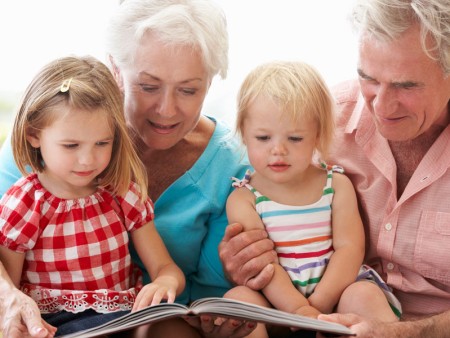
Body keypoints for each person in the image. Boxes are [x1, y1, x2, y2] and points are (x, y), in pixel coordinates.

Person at [0, 1, 255, 337]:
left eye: (188, 89)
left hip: (148, 321)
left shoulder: (231, 164)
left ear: (210, 83)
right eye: (148, 86)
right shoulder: (44, 148)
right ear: (116, 71)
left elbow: (208, 291)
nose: (166, 109)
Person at [218, 0, 450, 337]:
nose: (382, 106)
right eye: (368, 78)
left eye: (406, 85)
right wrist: (244, 260)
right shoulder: (322, 120)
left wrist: (408, 332)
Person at [0, 55, 186, 337]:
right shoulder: (26, 204)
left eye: (102, 143)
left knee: (174, 330)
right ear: (33, 135)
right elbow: (9, 292)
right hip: (58, 325)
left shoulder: (123, 193)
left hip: (124, 317)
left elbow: (165, 267)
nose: (87, 160)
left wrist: (165, 282)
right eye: (71, 145)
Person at [223, 61, 399, 338]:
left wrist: (318, 305)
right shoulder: (243, 198)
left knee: (364, 294)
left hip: (336, 293)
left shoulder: (335, 184)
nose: (278, 150)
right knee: (238, 301)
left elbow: (349, 249)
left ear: (317, 135)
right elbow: (262, 262)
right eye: (263, 137)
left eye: (294, 138)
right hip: (274, 298)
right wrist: (298, 309)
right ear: (244, 134)